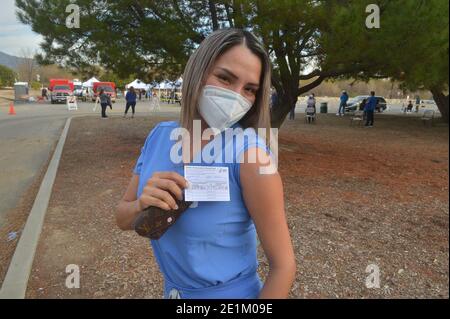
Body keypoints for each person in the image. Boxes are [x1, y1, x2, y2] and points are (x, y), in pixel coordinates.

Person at [115, 28, 296, 299]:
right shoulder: (159, 136)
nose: (236, 96)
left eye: (249, 89)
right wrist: (142, 203)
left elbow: (284, 266)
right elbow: (122, 217)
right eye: (225, 78)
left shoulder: (251, 157)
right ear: (198, 72)